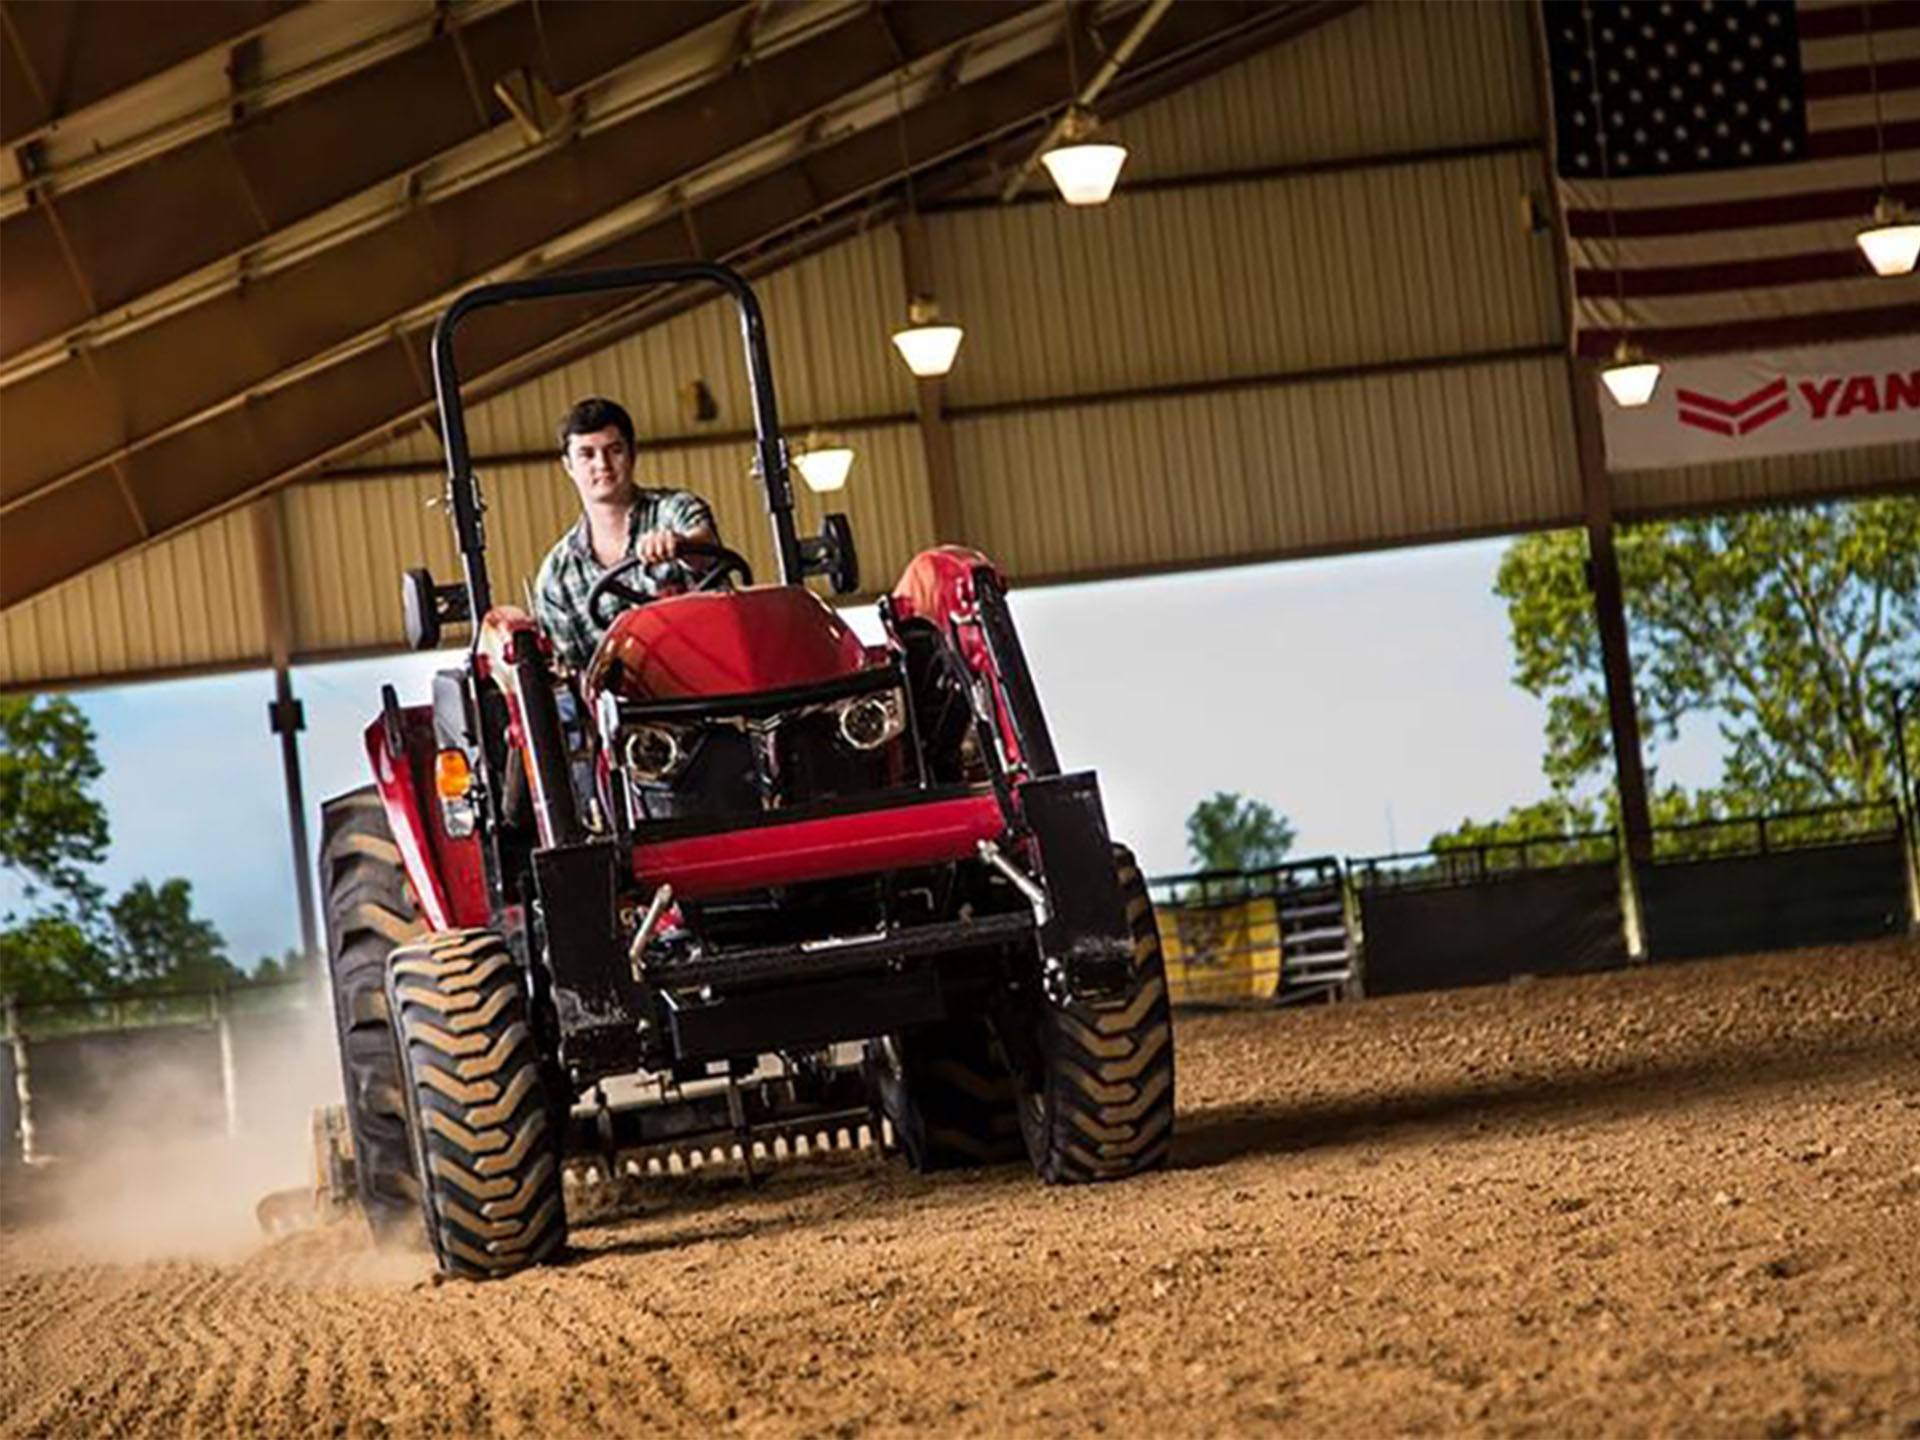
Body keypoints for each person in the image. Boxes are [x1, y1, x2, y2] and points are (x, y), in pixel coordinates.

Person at [533, 397, 720, 670]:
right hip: (627, 707)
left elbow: (706, 547)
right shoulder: (556, 578)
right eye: (587, 454)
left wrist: (684, 546)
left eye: (614, 450)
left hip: (709, 682)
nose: (602, 464)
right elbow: (578, 676)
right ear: (569, 466)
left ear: (632, 454)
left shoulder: (675, 510)